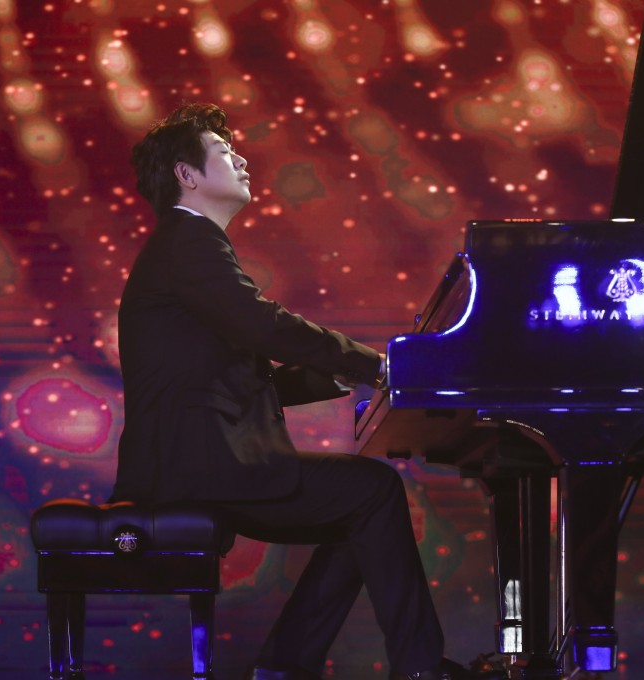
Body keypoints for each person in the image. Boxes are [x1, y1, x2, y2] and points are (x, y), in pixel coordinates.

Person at [111, 102, 462, 680]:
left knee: (362, 505)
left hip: (193, 459)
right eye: (224, 152)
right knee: (372, 491)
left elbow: (231, 377)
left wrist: (338, 374)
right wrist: (377, 366)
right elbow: (264, 324)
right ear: (186, 174)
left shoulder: (183, 246)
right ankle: (415, 669)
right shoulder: (189, 243)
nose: (241, 158)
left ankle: (286, 665)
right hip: (198, 466)